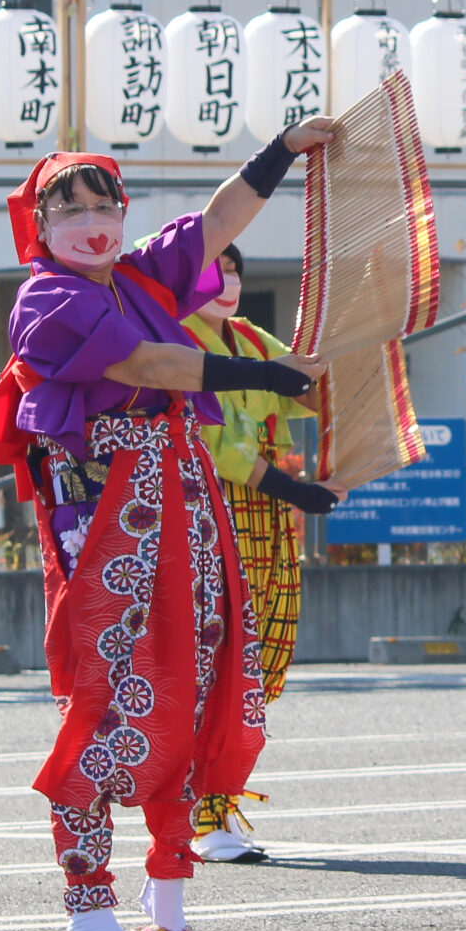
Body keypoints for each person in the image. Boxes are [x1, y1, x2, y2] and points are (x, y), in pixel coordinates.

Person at [0, 127, 331, 931]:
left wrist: (284, 149)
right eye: (70, 207)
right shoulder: (46, 300)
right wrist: (261, 376)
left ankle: (166, 900)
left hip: (183, 500)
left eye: (105, 204)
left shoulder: (139, 275)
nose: (93, 221)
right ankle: (86, 909)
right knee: (105, 694)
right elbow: (145, 363)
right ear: (37, 224)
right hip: (104, 516)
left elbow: (217, 220)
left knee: (197, 679)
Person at [181, 241, 343, 862]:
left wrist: (357, 352)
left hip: (264, 512)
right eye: (211, 270)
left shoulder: (249, 339)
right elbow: (217, 447)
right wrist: (294, 488)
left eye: (234, 270)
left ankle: (214, 798)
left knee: (264, 652)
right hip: (209, 510)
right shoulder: (179, 342)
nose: (226, 281)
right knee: (218, 656)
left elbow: (305, 387)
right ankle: (204, 812)